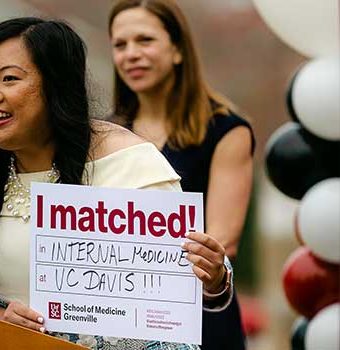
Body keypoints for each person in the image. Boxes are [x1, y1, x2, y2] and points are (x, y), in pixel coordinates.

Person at [0, 17, 234, 350]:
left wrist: (215, 276)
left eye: (10, 79)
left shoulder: (131, 164)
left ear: (56, 86)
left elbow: (178, 291)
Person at [107, 1, 254, 348]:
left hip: (201, 315)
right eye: (120, 44)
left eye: (145, 40)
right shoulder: (103, 134)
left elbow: (223, 241)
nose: (131, 54)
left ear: (177, 49)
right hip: (121, 319)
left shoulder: (227, 129)